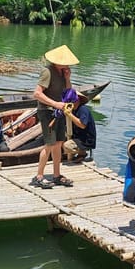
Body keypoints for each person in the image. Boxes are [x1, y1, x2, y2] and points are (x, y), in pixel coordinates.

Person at [31, 44, 79, 188]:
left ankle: (56, 175)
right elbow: (37, 94)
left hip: (59, 112)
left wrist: (68, 78)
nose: (67, 64)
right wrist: (55, 104)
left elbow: (68, 93)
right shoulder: (47, 72)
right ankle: (39, 176)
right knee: (49, 144)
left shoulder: (62, 72)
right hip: (47, 112)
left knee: (58, 143)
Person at [62, 91, 96, 162]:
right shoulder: (71, 109)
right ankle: (74, 154)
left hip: (85, 139)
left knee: (67, 146)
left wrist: (69, 115)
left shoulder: (83, 109)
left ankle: (82, 153)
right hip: (76, 136)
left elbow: (82, 125)